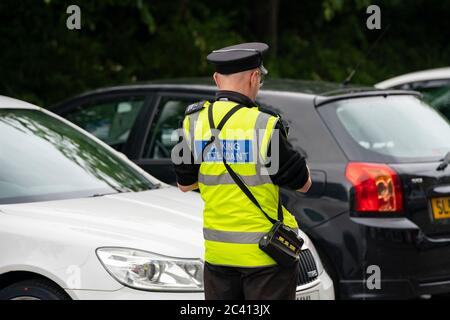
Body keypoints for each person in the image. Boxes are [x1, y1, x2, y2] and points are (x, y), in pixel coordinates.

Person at [172, 42, 312, 300]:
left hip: (218, 257)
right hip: (264, 257)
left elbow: (184, 185)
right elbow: (303, 183)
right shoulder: (264, 124)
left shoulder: (192, 122)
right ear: (254, 77)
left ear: (216, 79)